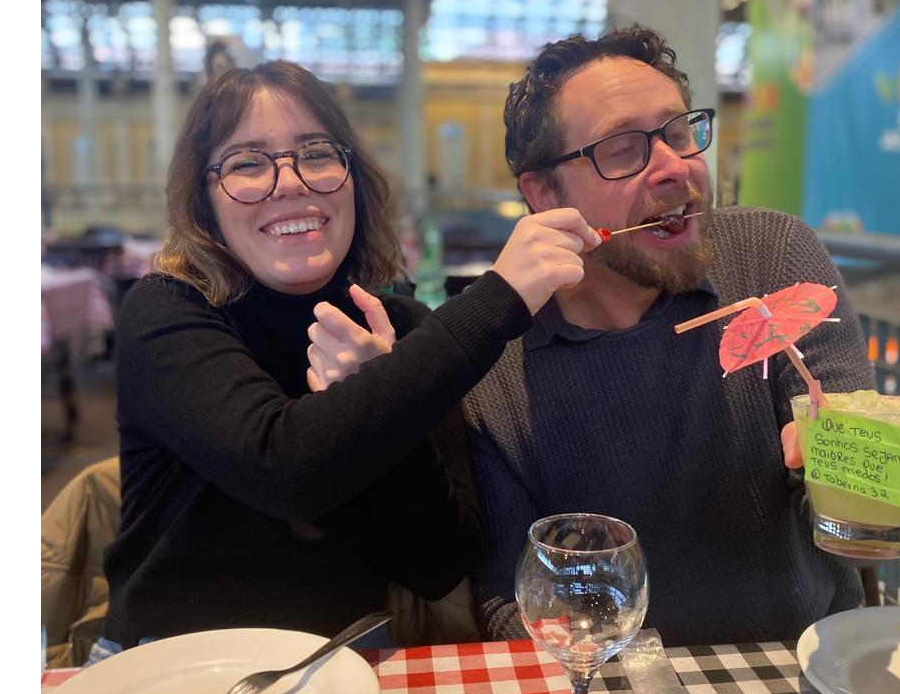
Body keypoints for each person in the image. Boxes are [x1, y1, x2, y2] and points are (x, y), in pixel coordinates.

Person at [460, 26, 900, 645]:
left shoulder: (771, 257)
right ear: (545, 194)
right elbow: (507, 594)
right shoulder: (495, 366)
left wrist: (894, 493)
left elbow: (839, 502)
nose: (674, 166)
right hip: (608, 680)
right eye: (623, 149)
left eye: (679, 133)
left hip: (805, 661)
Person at [101, 61, 601, 651]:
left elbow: (437, 565)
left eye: (316, 153)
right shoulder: (168, 309)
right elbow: (283, 470)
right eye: (247, 163)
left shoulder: (404, 329)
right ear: (204, 203)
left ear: (353, 180)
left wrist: (377, 393)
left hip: (346, 664)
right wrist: (498, 299)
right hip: (169, 666)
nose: (290, 183)